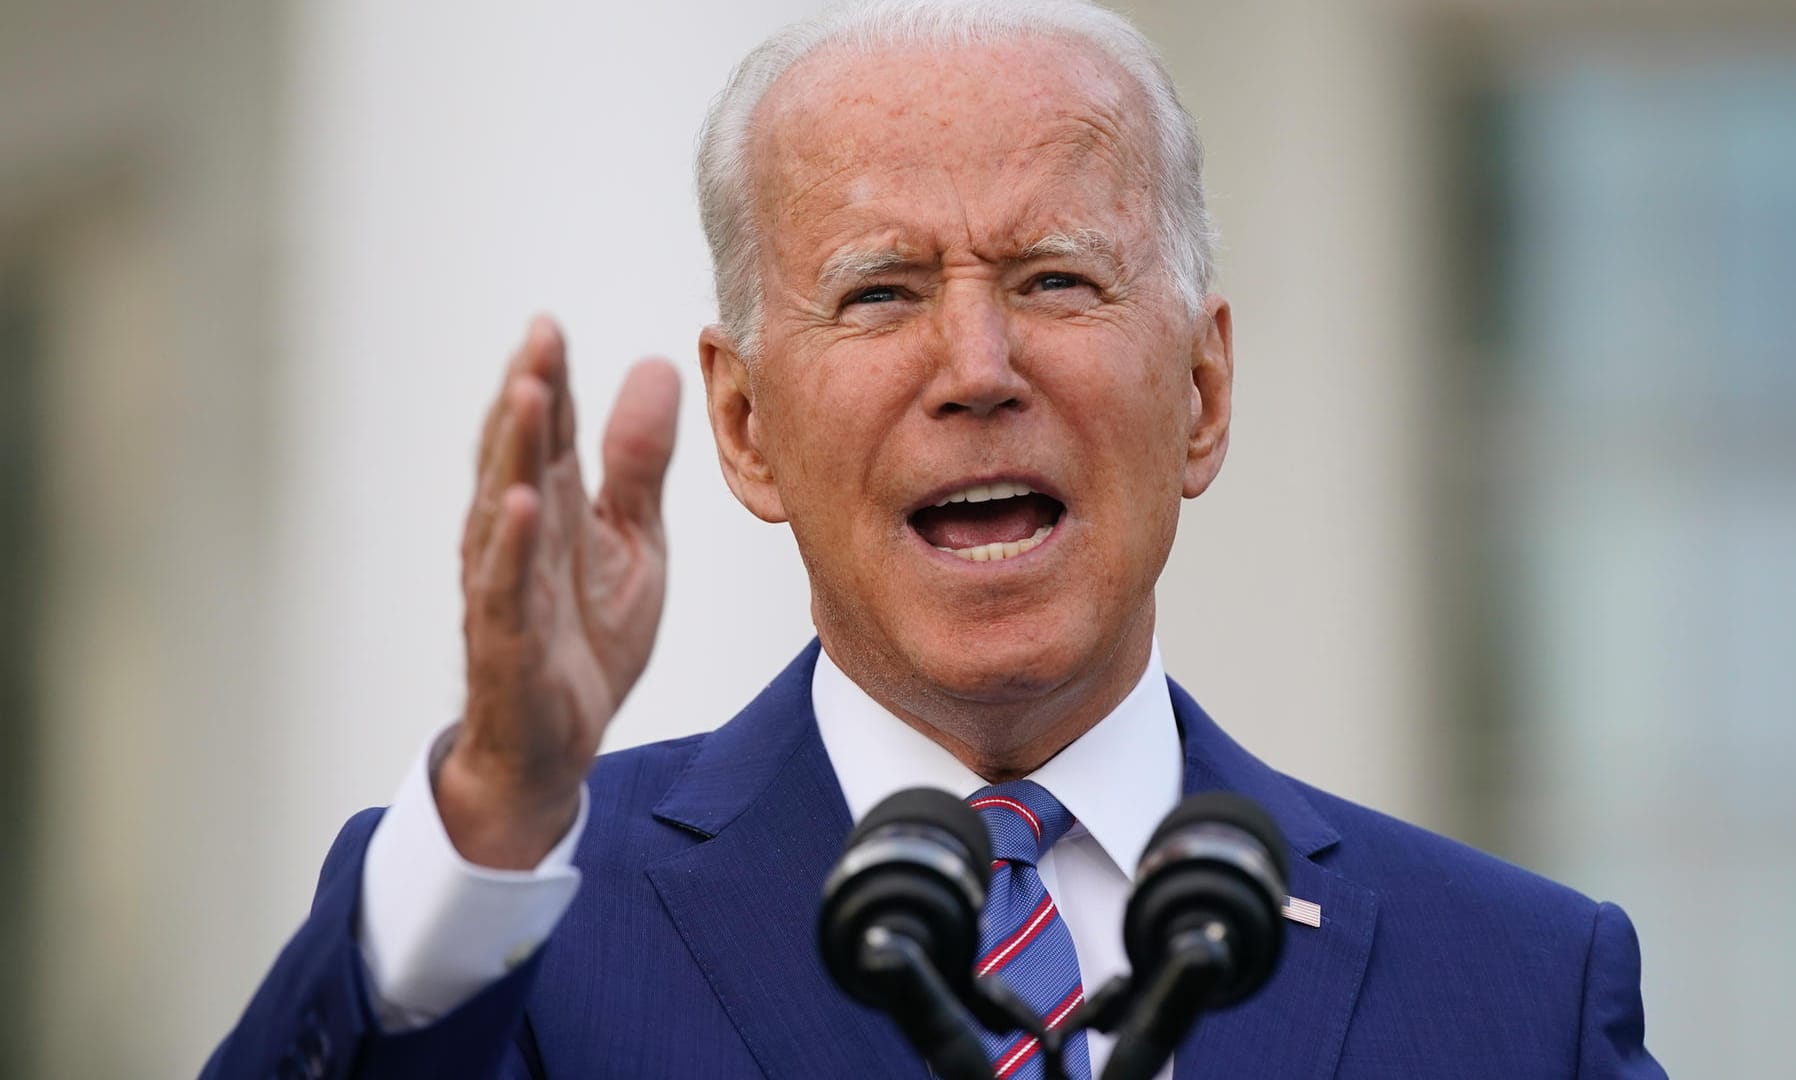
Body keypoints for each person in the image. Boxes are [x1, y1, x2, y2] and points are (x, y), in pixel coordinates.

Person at [203, 1, 1664, 1077]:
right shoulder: (523, 925)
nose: (977, 365)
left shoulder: (1517, 991)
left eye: (1054, 277)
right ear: (748, 425)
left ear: (1203, 393)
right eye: (882, 293)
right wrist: (504, 806)